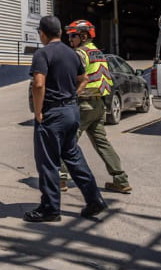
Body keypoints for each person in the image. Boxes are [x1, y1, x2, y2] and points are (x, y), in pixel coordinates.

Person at [24, 15, 107, 223]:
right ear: (60, 33)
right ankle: (94, 200)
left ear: (42, 34)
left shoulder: (42, 54)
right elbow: (84, 79)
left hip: (52, 115)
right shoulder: (72, 53)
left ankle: (50, 208)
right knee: (73, 157)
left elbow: (39, 84)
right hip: (71, 112)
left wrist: (38, 112)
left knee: (48, 162)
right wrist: (72, 96)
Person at [61, 19, 132, 194]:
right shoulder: (98, 53)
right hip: (98, 105)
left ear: (84, 36)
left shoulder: (79, 54)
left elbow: (74, 78)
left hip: (83, 104)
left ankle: (60, 179)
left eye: (73, 35)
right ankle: (121, 180)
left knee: (66, 141)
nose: (69, 39)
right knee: (102, 143)